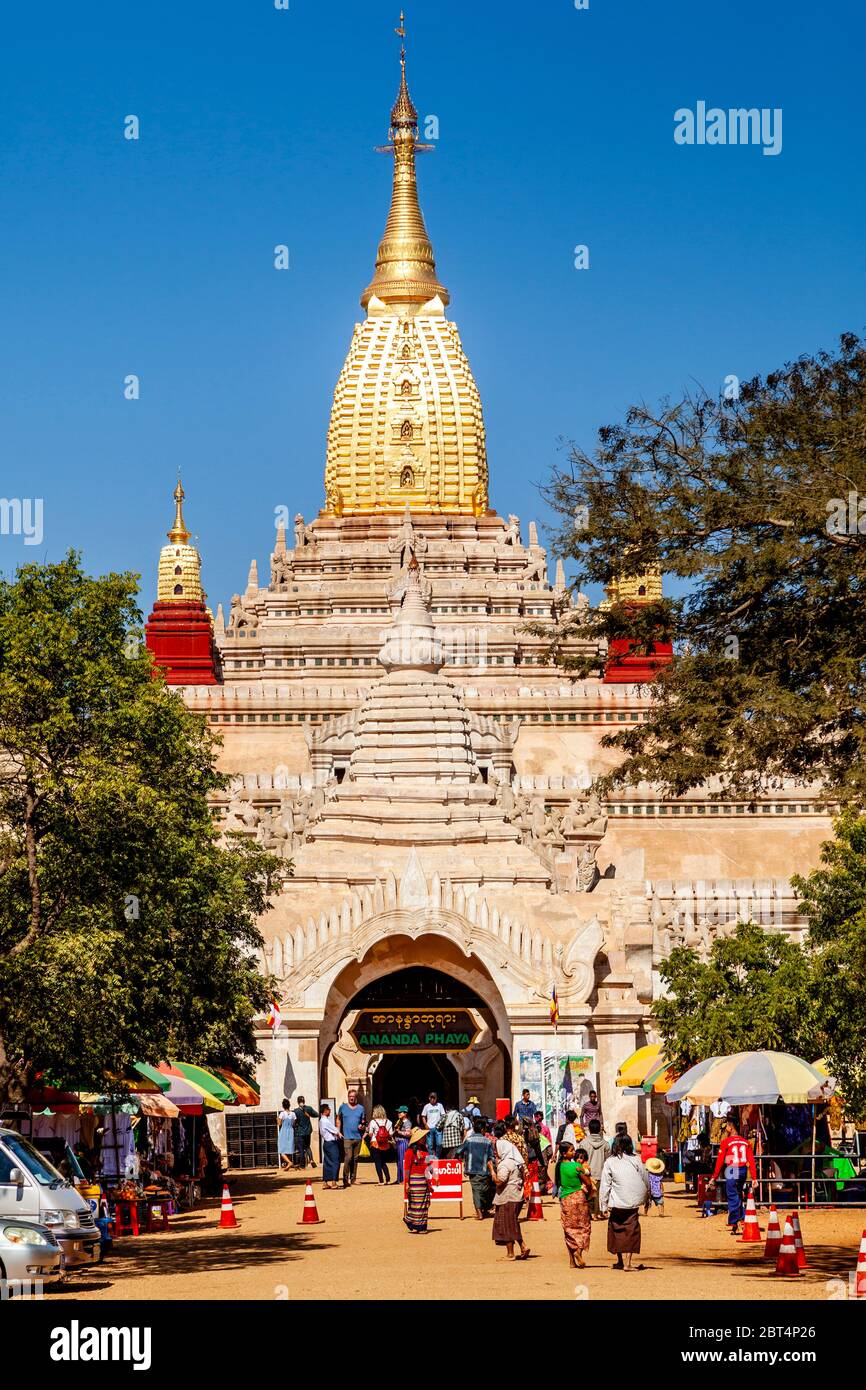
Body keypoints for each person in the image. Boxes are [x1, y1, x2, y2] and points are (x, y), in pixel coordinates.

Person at [599, 1134, 651, 1271]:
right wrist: (648, 1195)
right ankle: (627, 1263)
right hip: (632, 1202)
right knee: (631, 1231)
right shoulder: (636, 1160)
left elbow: (605, 1185)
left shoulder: (610, 1161)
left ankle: (621, 1261)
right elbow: (645, 1178)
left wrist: (603, 1205)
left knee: (616, 1230)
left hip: (617, 1203)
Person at [710, 1118, 757, 1235]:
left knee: (732, 1195)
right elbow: (751, 1160)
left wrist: (714, 1177)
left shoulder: (726, 1142)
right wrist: (755, 1178)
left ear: (730, 1128)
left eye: (726, 1127)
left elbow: (720, 1161)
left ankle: (735, 1221)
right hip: (742, 1170)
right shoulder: (745, 1142)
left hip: (732, 1169)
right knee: (738, 1193)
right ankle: (740, 1220)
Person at [491, 1122, 530, 1260]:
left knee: (507, 1223)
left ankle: (510, 1253)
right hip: (516, 1194)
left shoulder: (505, 1163)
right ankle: (523, 1246)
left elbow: (499, 1181)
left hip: (508, 1196)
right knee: (512, 1222)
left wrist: (491, 1170)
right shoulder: (515, 1161)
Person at [556, 1141, 594, 1268]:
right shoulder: (576, 1166)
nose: (573, 1152)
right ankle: (578, 1252)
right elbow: (588, 1183)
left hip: (566, 1199)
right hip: (579, 1198)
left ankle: (572, 1261)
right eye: (571, 1150)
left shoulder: (559, 1166)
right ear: (564, 1153)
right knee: (584, 1227)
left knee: (569, 1230)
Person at [458, 1117, 496, 1219]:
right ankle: (482, 1210)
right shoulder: (487, 1142)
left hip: (472, 1170)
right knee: (484, 1190)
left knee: (476, 1190)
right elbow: (491, 1157)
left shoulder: (468, 1140)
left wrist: (460, 1159)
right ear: (483, 1130)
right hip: (484, 1170)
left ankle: (479, 1211)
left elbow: (458, 1151)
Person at [403, 1129, 433, 1234]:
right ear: (418, 1139)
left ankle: (420, 1225)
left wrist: (434, 1175)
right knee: (417, 1204)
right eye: (423, 1137)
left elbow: (429, 1165)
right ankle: (418, 1226)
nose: (425, 1139)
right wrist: (407, 1183)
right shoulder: (409, 1152)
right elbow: (407, 1169)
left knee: (423, 1204)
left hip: (423, 1181)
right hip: (414, 1180)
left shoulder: (425, 1151)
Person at [581, 1119, 611, 1219]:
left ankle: (590, 1213)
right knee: (598, 1194)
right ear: (599, 1130)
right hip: (600, 1173)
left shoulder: (584, 1143)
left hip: (587, 1173)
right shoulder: (605, 1144)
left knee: (588, 1193)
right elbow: (608, 1159)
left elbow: (579, 1159)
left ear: (589, 1129)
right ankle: (597, 1213)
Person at [337, 1089, 366, 1187]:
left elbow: (363, 1121)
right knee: (348, 1158)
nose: (351, 1098)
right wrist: (338, 1130)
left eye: (353, 1096)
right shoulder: (343, 1107)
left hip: (358, 1137)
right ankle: (345, 1179)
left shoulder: (361, 1108)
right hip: (347, 1137)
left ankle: (353, 1179)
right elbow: (338, 1118)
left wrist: (362, 1126)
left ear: (356, 1097)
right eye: (350, 1096)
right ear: (348, 1097)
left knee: (355, 1159)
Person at [366, 1105, 394, 1185]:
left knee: (377, 1162)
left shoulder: (373, 1122)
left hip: (375, 1143)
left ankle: (381, 1180)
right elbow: (391, 1134)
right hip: (385, 1144)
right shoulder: (389, 1122)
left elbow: (371, 1134)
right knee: (383, 1162)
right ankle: (388, 1179)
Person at [292, 1096, 320, 1169]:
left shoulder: (296, 1111)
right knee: (307, 1147)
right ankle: (311, 1160)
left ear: (298, 1102)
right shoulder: (309, 1108)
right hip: (308, 1131)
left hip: (300, 1132)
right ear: (304, 1101)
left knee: (301, 1149)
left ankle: (302, 1165)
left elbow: (294, 1121)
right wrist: (309, 1115)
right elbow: (317, 1115)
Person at [319, 1104, 342, 1188]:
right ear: (325, 1110)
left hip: (326, 1143)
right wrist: (338, 1125)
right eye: (328, 1109)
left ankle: (325, 1182)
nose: (330, 1111)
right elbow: (335, 1130)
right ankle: (333, 1181)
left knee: (327, 1162)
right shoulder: (325, 1121)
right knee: (336, 1161)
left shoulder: (321, 1120)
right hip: (331, 1143)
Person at [394, 1106, 412, 1183]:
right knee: (399, 1161)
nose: (398, 1113)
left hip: (404, 1142)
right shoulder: (399, 1121)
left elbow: (408, 1133)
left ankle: (404, 1179)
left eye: (400, 1112)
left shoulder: (407, 1122)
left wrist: (399, 1132)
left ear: (405, 1113)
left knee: (402, 1161)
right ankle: (399, 1179)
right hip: (398, 1142)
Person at [277, 1099, 296, 1173]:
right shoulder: (293, 1114)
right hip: (291, 1131)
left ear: (283, 1106)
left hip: (284, 1131)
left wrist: (277, 1119)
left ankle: (289, 1162)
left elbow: (279, 1124)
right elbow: (294, 1124)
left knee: (281, 1150)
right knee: (289, 1148)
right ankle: (289, 1163)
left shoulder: (282, 1114)